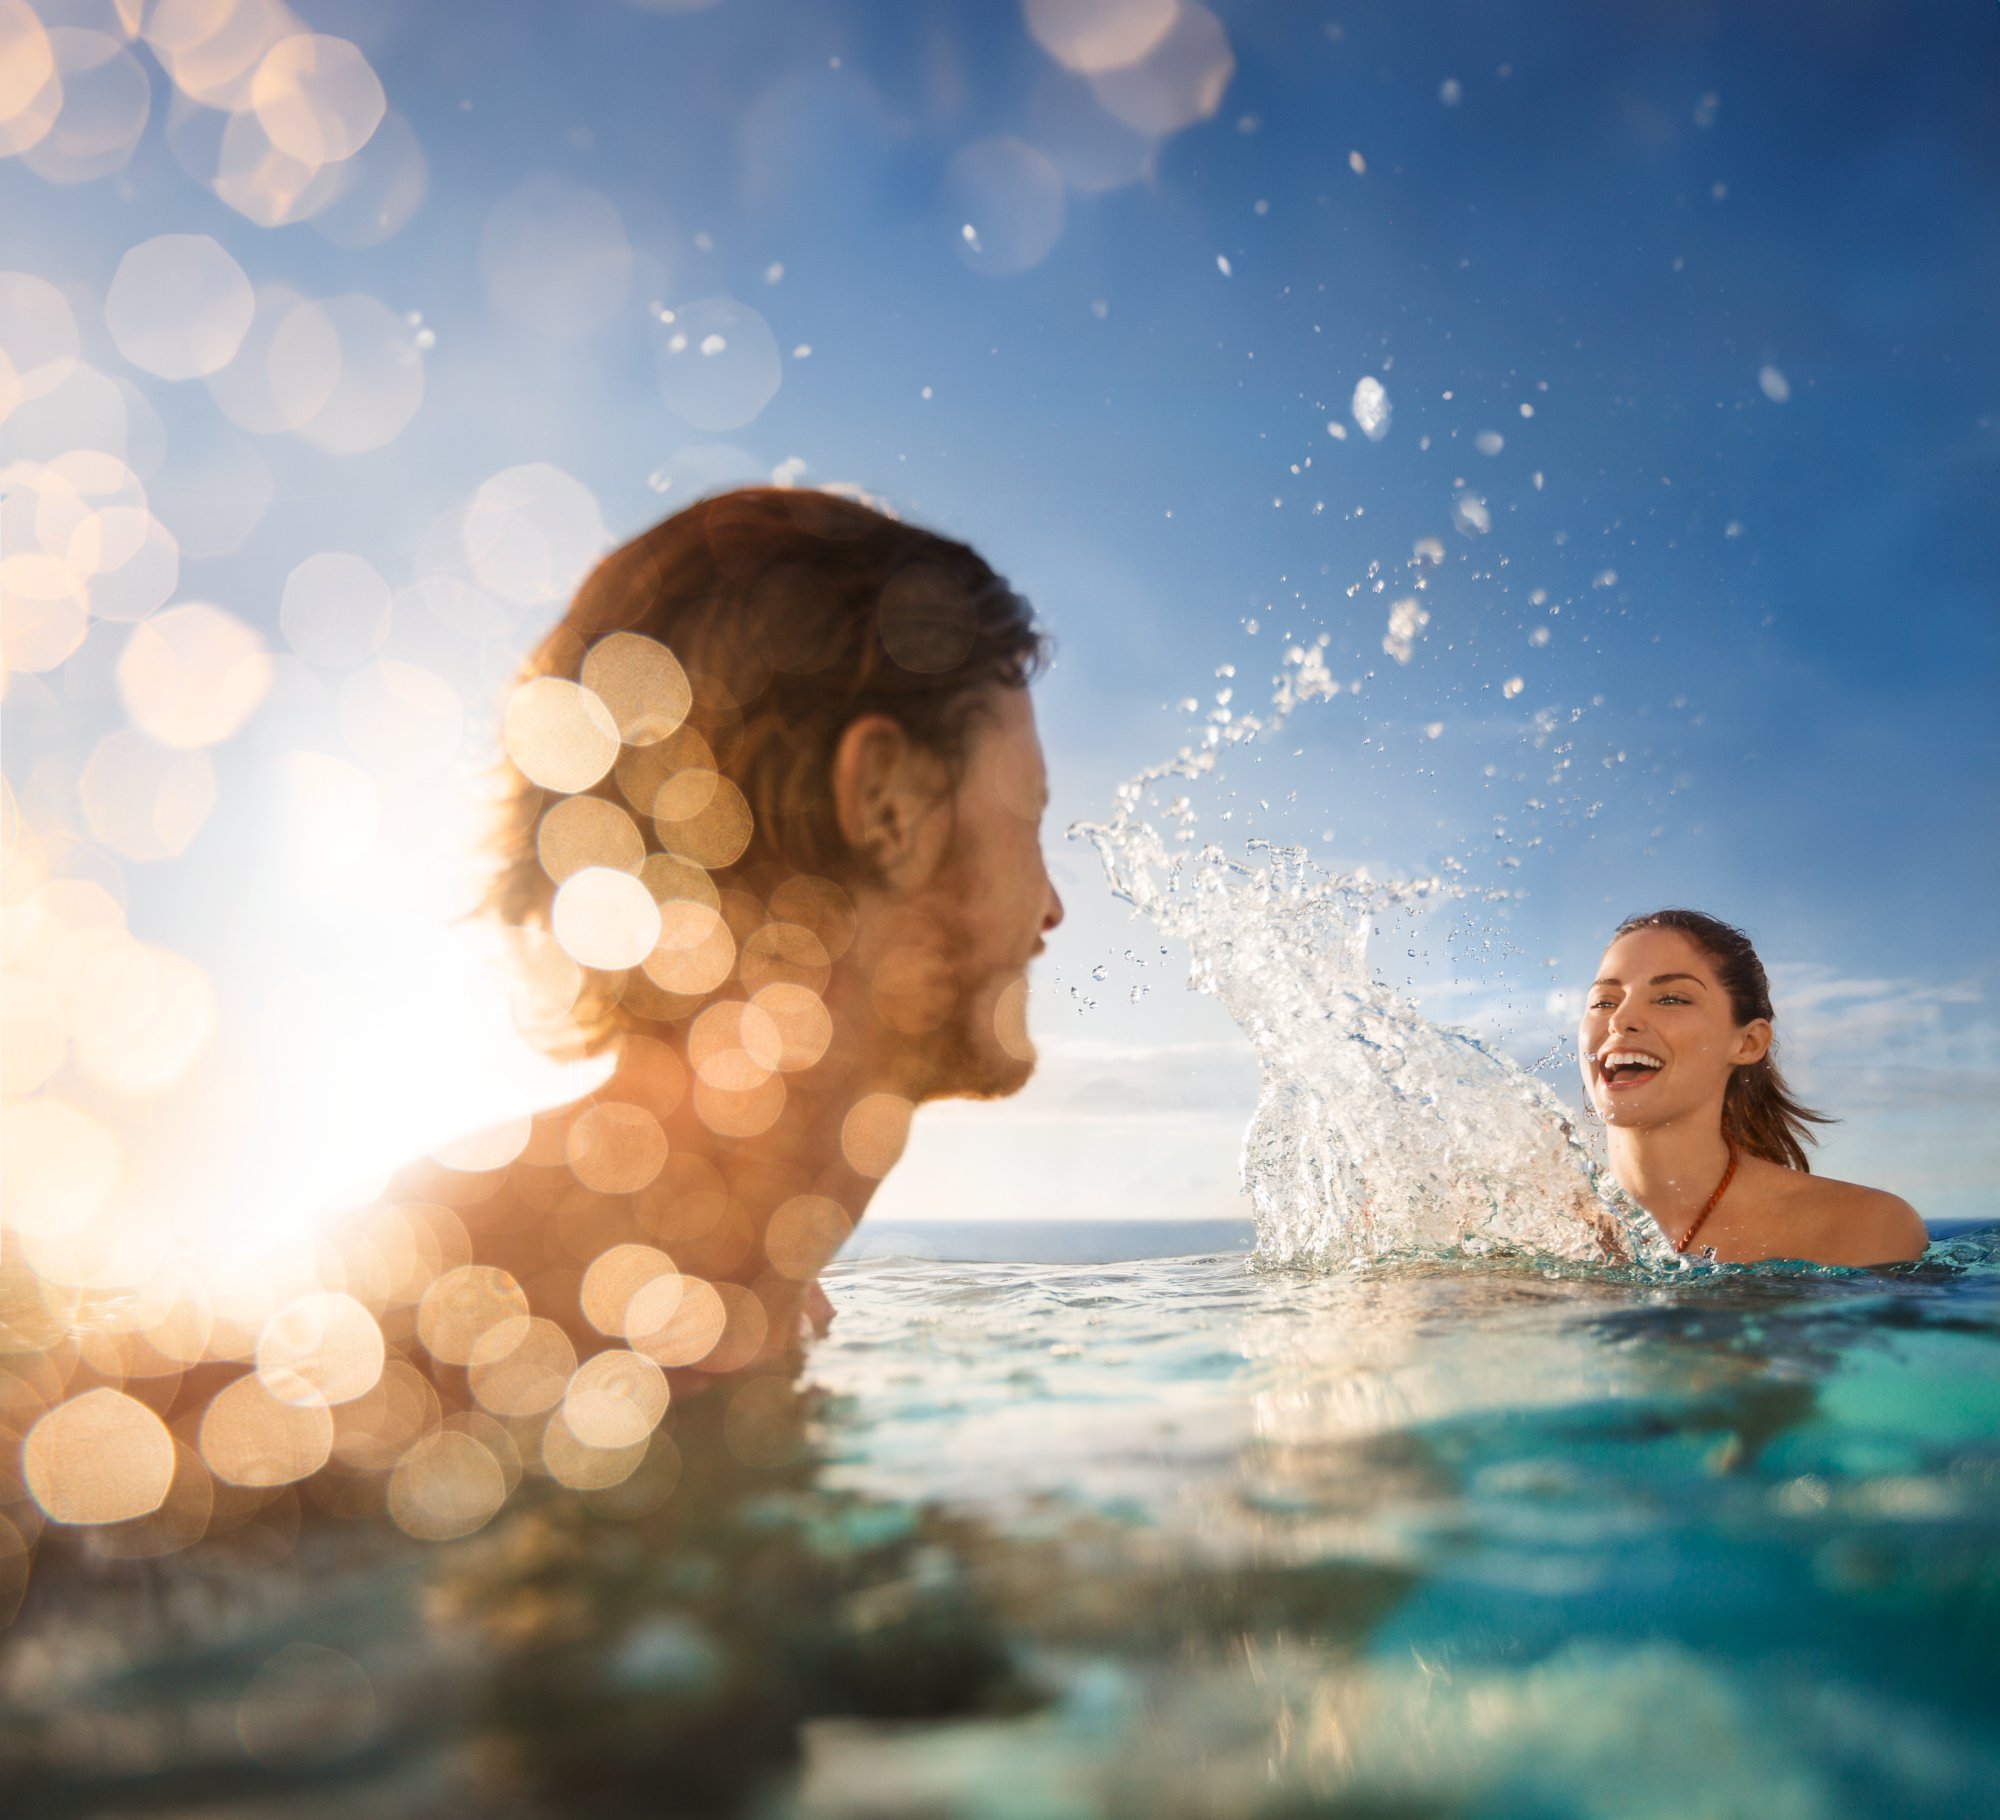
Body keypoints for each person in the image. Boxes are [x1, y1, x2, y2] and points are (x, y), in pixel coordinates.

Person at [432, 486, 1065, 1388]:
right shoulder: (455, 1333)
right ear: (888, 804)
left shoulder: (745, 1310)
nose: (1050, 911)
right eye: (1028, 816)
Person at [1578, 908, 1925, 1266]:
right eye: (1603, 1002)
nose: (1620, 1020)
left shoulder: (1861, 1227)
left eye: (1671, 999)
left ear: (1748, 1043)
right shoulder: (1526, 1232)